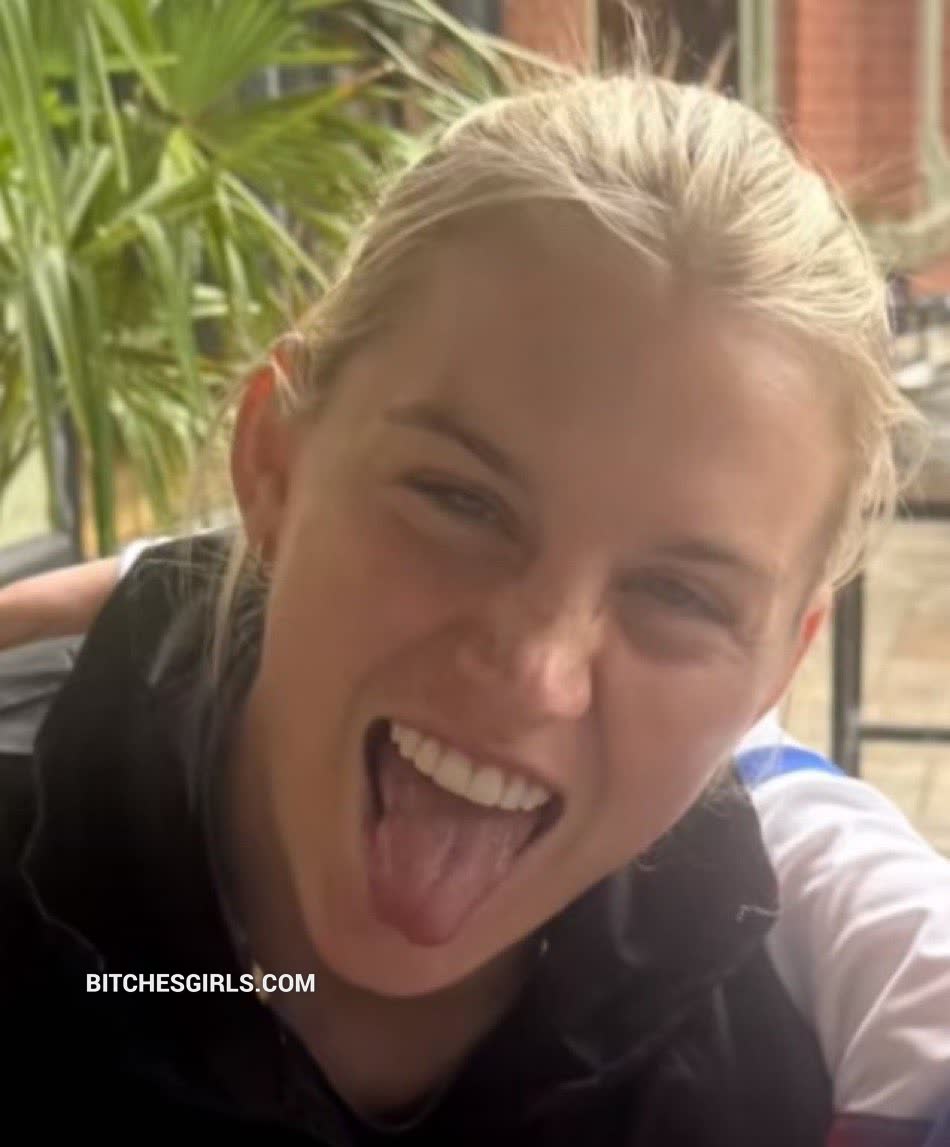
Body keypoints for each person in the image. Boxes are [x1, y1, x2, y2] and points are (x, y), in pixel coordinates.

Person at [1, 67, 946, 1145]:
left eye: (679, 593)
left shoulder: (761, 1084)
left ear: (779, 665)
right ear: (273, 462)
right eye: (459, 501)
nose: (538, 670)